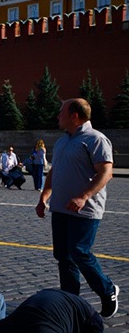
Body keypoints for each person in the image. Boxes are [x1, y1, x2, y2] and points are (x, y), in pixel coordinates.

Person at [37, 98, 119, 318]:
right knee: (63, 255)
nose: (58, 116)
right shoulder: (63, 142)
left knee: (79, 252)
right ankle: (70, 301)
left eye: (61, 112)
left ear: (74, 115)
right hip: (60, 209)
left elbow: (106, 173)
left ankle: (107, 290)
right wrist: (44, 196)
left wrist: (84, 196)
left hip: (86, 209)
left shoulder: (96, 139)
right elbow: (55, 172)